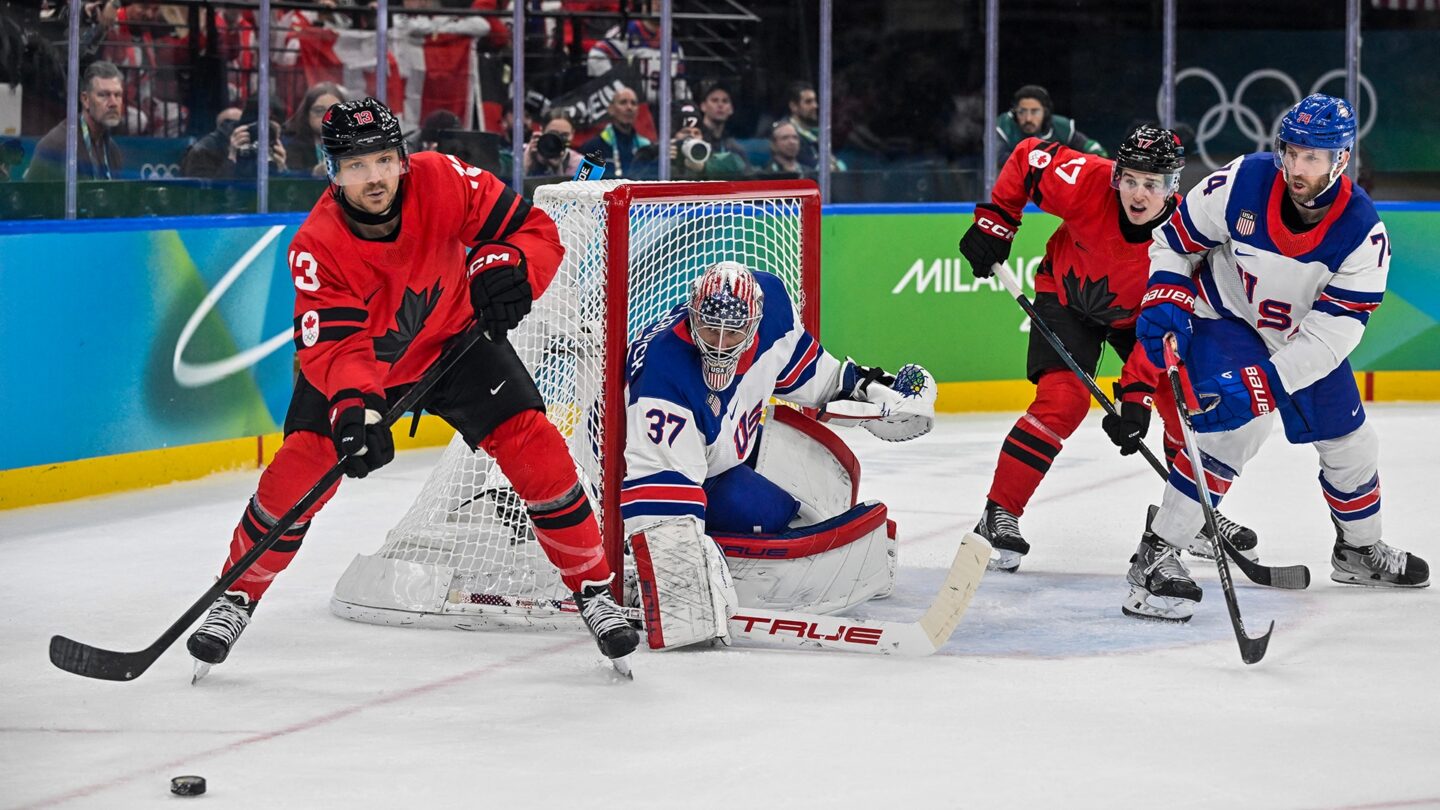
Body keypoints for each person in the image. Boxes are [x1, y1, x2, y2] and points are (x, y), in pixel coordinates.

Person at [185, 97, 638, 678]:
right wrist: (356, 410)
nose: (373, 177)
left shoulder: (444, 177)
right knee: (297, 474)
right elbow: (337, 349)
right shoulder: (316, 245)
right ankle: (236, 596)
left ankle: (594, 590)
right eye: (355, 166)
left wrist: (511, 266)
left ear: (401, 158)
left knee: (536, 448)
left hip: (454, 341)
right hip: (363, 367)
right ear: (332, 172)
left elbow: (533, 228)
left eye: (381, 160)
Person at [1129, 93, 1429, 622]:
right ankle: (1156, 554)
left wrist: (1268, 380)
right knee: (1236, 429)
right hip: (1227, 318)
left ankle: (1358, 552)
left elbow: (1331, 338)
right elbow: (1174, 242)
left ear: (1340, 159)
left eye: (1312, 157)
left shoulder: (1362, 233)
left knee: (1353, 444)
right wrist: (1165, 292)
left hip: (1298, 342)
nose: (1296, 166)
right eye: (1291, 152)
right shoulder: (1241, 181)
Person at [958, 124, 1257, 575]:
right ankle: (998, 512)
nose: (1137, 195)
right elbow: (1026, 157)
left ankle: (1187, 517)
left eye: (1152, 184)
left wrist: (1135, 397)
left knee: (1184, 405)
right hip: (1064, 296)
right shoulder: (1086, 180)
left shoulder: (1185, 239)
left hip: (1140, 319)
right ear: (1116, 174)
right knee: (1064, 401)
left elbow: (1163, 330)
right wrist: (997, 220)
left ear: (1173, 186)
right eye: (1130, 179)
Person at [620, 261, 935, 649]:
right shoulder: (665, 375)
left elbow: (814, 377)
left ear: (754, 323)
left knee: (778, 510)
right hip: (626, 477)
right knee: (734, 521)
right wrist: (675, 585)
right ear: (692, 313)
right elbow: (658, 489)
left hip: (712, 461)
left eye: (733, 331)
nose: (718, 342)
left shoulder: (773, 315)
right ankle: (626, 558)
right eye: (708, 327)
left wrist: (869, 390)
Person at [24, 60, 124, 182]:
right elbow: (31, 198)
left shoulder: (112, 150)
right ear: (85, 99)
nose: (113, 103)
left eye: (118, 95)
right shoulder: (57, 145)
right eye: (103, 95)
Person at [180, 96, 289, 179]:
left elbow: (283, 202)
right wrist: (232, 158)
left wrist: (281, 169)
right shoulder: (205, 150)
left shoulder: (275, 149)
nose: (263, 138)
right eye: (260, 130)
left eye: (270, 133)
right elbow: (204, 199)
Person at [994, 84, 1106, 163]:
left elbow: (1090, 147)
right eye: (1022, 111)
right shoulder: (1003, 126)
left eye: (1035, 111)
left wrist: (1102, 160)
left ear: (1046, 112)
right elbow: (996, 158)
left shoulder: (1060, 127)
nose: (1028, 118)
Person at [577, 85, 651, 178]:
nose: (629, 107)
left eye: (633, 103)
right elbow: (582, 185)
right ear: (611, 109)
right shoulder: (593, 148)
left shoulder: (646, 147)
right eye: (623, 102)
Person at [281, 82, 347, 177]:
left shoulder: (354, 142)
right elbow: (288, 178)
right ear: (307, 114)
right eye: (319, 111)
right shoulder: (291, 142)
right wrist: (313, 173)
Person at [778, 80, 843, 173]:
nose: (815, 106)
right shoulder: (786, 134)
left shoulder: (817, 132)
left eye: (815, 101)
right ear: (793, 106)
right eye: (808, 102)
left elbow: (836, 163)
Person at [696, 81, 751, 175]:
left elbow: (748, 176)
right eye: (714, 100)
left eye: (725, 101)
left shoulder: (734, 147)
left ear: (731, 109)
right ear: (703, 106)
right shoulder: (696, 140)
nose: (720, 105)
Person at [522, 111, 583, 177]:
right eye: (553, 134)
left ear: (572, 134)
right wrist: (525, 164)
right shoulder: (520, 153)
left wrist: (558, 169)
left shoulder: (579, 164)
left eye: (564, 135)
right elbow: (512, 184)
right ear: (542, 130)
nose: (558, 140)